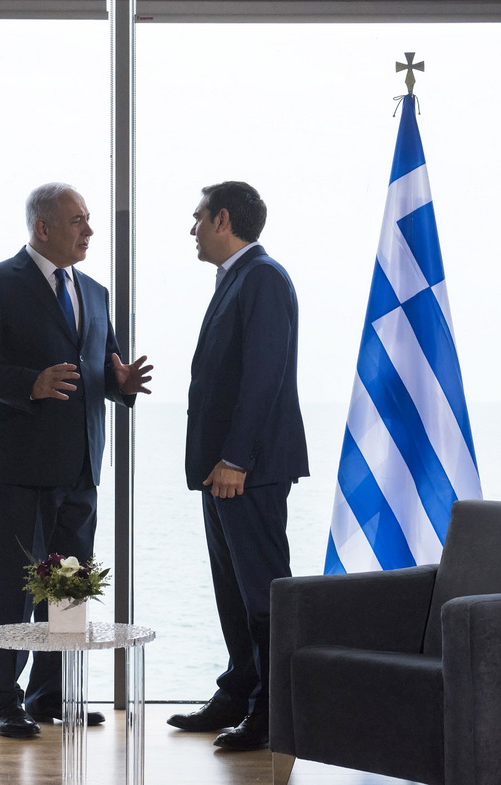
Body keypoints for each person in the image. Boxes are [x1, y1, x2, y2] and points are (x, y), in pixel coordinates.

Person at [0, 182, 152, 738]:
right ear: (42, 228)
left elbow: (104, 362)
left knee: (67, 589)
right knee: (12, 586)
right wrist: (31, 384)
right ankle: (3, 701)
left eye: (89, 219)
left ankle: (51, 693)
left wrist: (119, 383)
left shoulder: (95, 291)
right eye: (78, 221)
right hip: (17, 469)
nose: (89, 230)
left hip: (82, 468)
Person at [168, 181, 309, 751]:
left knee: (262, 593)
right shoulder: (237, 279)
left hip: (245, 468)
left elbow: (263, 376)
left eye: (197, 217)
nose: (192, 228)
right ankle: (237, 692)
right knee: (232, 590)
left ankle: (271, 712)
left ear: (223, 219)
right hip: (221, 469)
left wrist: (235, 458)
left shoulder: (264, 278)